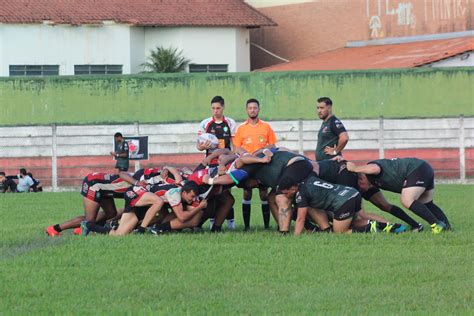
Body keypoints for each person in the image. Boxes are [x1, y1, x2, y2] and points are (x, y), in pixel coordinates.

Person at [277, 173, 407, 235]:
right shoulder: (308, 179)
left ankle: (374, 227)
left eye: (286, 193)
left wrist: (295, 238)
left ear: (293, 188)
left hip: (343, 202)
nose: (286, 196)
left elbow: (300, 218)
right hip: (352, 193)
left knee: (339, 232)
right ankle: (392, 226)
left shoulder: (301, 194)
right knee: (357, 220)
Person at [346, 157, 451, 234]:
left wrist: (355, 168)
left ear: (361, 177)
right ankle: (446, 227)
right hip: (423, 168)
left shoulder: (370, 170)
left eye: (359, 184)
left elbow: (375, 168)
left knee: (407, 200)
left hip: (416, 169)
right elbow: (384, 205)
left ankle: (436, 225)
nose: (360, 188)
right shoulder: (371, 182)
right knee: (426, 203)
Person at [233, 98, 277, 230]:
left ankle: (267, 226)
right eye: (250, 108)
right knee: (247, 192)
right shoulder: (241, 129)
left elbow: (272, 144)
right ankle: (247, 227)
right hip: (248, 164)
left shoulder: (266, 127)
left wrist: (262, 151)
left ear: (259, 109)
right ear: (247, 110)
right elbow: (237, 148)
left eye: (255, 108)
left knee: (264, 193)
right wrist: (245, 154)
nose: (252, 110)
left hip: (263, 165)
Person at [197, 96, 237, 230]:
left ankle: (231, 222)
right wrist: (203, 147)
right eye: (213, 108)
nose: (216, 111)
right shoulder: (205, 123)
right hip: (210, 162)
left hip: (225, 162)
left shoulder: (230, 123)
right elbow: (198, 145)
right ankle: (212, 221)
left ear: (223, 107)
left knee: (226, 191)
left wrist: (232, 157)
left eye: (218, 108)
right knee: (212, 192)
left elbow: (233, 145)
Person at [315, 97, 349, 161]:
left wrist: (335, 151)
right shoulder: (325, 123)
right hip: (323, 164)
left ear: (329, 108)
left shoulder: (333, 122)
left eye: (322, 108)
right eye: (318, 108)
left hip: (330, 164)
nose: (319, 111)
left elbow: (345, 138)